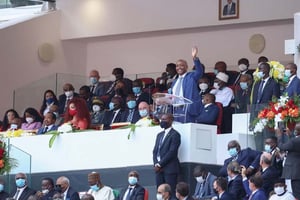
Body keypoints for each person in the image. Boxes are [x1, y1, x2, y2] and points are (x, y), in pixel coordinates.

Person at [251, 62, 280, 151]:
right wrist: (251, 120)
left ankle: (268, 158)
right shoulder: (257, 83)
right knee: (258, 140)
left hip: (268, 116)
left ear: (267, 70)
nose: (259, 71)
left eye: (261, 69)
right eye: (259, 69)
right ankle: (259, 157)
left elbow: (275, 100)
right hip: (257, 116)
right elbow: (254, 102)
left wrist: (270, 115)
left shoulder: (274, 83)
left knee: (267, 138)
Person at [171, 46, 204, 123]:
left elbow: (199, 71)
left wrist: (195, 58)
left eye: (182, 65)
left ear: (186, 67)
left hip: (188, 109)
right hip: (176, 110)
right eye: (177, 65)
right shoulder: (174, 82)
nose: (179, 67)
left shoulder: (191, 76)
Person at [153, 113, 181, 196]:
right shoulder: (159, 135)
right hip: (158, 170)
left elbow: (172, 152)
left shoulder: (175, 134)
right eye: (161, 119)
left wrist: (160, 164)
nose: (162, 121)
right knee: (160, 193)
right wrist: (156, 164)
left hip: (170, 169)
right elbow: (155, 151)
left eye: (165, 119)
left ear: (171, 120)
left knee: (170, 193)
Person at [276, 122, 300, 199]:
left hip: (295, 172)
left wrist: (279, 136)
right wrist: (290, 135)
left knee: (297, 193)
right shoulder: (295, 140)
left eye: (296, 129)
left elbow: (282, 147)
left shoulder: (294, 141)